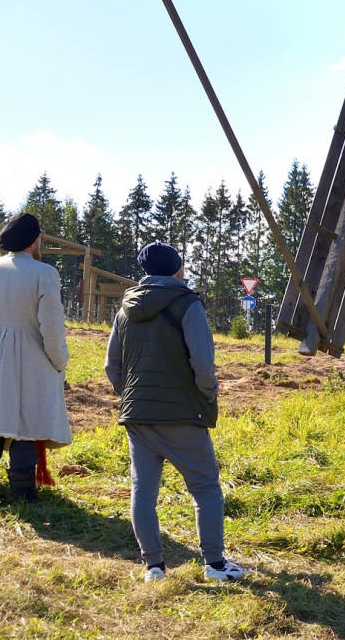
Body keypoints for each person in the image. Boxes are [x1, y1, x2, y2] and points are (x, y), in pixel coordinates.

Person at [105, 242, 245, 582]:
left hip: (137, 413)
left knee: (143, 491)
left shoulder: (125, 310)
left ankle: (153, 566)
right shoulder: (188, 304)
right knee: (206, 487)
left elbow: (112, 366)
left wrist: (131, 395)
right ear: (177, 268)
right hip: (182, 412)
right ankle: (214, 564)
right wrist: (208, 392)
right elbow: (202, 361)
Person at [0, 213, 72, 512]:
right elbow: (51, 327)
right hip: (31, 361)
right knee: (26, 425)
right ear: (35, 240)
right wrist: (60, 362)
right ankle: (23, 498)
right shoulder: (44, 273)